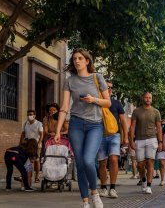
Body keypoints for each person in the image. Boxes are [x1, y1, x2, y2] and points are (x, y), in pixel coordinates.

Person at [55, 48, 111, 208]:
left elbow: (108, 102)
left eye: (80, 58)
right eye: (74, 59)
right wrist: (59, 130)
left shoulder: (97, 77)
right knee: (79, 163)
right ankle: (85, 202)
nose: (77, 61)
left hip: (95, 124)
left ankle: (94, 192)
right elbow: (64, 107)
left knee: (88, 160)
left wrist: (94, 100)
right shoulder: (70, 81)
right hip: (76, 124)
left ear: (87, 61)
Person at [97, 82, 129, 199]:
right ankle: (103, 187)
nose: (109, 89)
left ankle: (113, 188)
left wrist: (125, 136)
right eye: (106, 87)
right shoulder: (97, 103)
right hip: (99, 135)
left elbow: (123, 121)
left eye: (110, 88)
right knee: (102, 162)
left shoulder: (116, 103)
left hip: (114, 135)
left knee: (114, 159)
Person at [129, 92, 163, 195]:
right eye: (146, 97)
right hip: (139, 140)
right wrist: (131, 140)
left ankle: (148, 185)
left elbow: (159, 128)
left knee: (150, 162)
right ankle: (143, 179)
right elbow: (132, 127)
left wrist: (160, 142)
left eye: (150, 98)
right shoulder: (136, 111)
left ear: (152, 99)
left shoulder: (156, 112)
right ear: (143, 98)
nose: (148, 99)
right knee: (140, 164)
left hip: (152, 139)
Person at [22, 109, 43, 183]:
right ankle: (28, 176)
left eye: (31, 114)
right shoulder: (25, 124)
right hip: (27, 144)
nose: (29, 116)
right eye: (28, 114)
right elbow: (23, 134)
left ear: (34, 115)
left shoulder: (39, 124)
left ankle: (37, 176)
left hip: (36, 144)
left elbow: (41, 134)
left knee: (36, 160)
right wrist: (21, 142)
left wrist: (39, 143)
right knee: (27, 160)